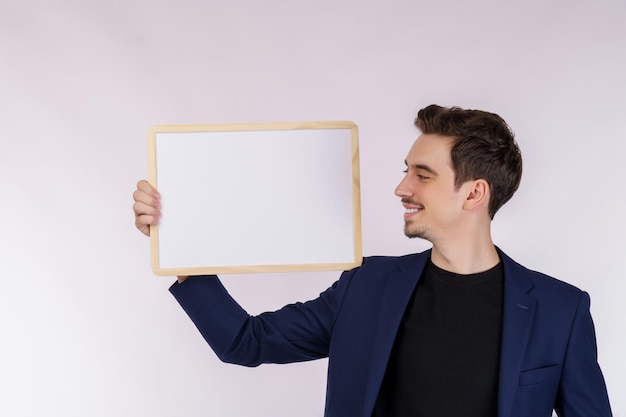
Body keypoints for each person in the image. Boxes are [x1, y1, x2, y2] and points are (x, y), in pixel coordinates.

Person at [132, 105, 612, 417]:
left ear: (474, 193)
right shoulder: (366, 284)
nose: (402, 187)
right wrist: (181, 243)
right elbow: (245, 342)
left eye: (422, 175)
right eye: (406, 171)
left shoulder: (559, 311)